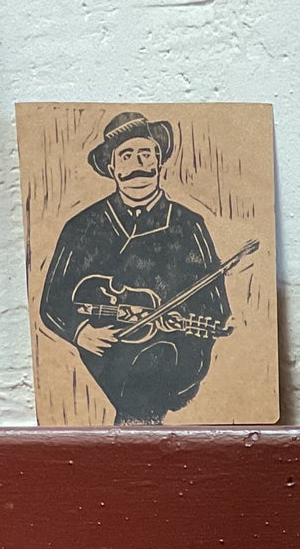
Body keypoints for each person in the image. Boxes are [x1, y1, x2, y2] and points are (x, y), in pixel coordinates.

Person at [39, 111, 231, 425]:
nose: (137, 165)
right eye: (126, 156)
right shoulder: (81, 227)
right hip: (110, 358)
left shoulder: (188, 224)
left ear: (159, 161)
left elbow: (217, 307)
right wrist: (79, 330)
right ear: (112, 167)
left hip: (174, 359)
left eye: (146, 154)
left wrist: (182, 330)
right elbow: (51, 303)